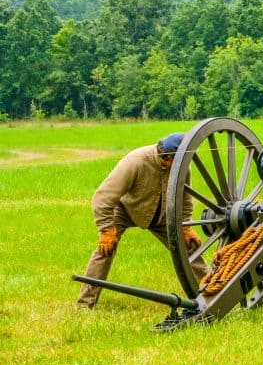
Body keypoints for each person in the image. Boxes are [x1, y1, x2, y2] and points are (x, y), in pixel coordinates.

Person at [77, 132, 207, 308]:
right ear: (166, 157)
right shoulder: (135, 161)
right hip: (125, 210)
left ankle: (209, 293)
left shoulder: (181, 165)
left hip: (161, 214)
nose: (180, 166)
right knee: (105, 250)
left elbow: (185, 198)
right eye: (174, 162)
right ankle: (85, 304)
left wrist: (184, 226)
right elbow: (103, 197)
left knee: (189, 247)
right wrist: (107, 229)